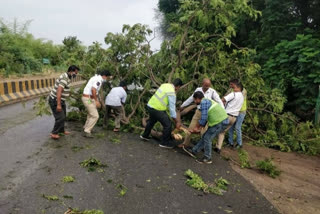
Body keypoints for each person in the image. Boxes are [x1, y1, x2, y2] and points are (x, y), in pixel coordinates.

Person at [183, 91, 229, 164]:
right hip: (219, 122)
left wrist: (196, 128)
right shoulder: (207, 100)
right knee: (205, 136)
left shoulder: (204, 103)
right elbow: (205, 118)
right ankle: (194, 150)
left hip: (219, 122)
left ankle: (208, 158)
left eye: (195, 100)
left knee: (207, 138)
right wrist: (199, 128)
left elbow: (203, 118)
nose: (195, 102)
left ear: (197, 98)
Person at [179, 78, 223, 148]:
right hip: (199, 111)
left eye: (208, 86)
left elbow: (219, 101)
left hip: (207, 114)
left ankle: (202, 146)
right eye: (206, 86)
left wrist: (223, 111)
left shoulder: (212, 92)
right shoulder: (198, 90)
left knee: (203, 131)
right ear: (202, 84)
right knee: (191, 127)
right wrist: (183, 105)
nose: (207, 88)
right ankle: (185, 143)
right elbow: (191, 98)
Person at [140, 78, 183, 148]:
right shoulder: (172, 92)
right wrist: (177, 121)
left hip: (150, 105)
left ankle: (145, 135)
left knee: (152, 121)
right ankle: (164, 143)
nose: (178, 89)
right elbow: (172, 109)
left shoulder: (165, 85)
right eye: (179, 87)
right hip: (157, 109)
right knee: (168, 124)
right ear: (178, 86)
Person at [48, 65, 80, 139]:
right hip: (55, 100)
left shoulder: (68, 77)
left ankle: (61, 130)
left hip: (61, 100)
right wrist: (58, 104)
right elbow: (59, 91)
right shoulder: (64, 78)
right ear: (71, 71)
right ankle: (54, 133)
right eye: (75, 73)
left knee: (64, 116)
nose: (76, 74)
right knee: (60, 117)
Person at [214, 79, 244, 154]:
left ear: (238, 87)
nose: (233, 88)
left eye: (234, 86)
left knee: (214, 129)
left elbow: (222, 100)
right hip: (234, 118)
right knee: (222, 132)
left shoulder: (233, 94)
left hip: (226, 116)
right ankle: (218, 148)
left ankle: (205, 144)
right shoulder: (242, 97)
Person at [82, 70, 112, 138]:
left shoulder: (95, 78)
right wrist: (96, 101)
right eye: (107, 78)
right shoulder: (98, 80)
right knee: (95, 116)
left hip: (89, 99)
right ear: (104, 76)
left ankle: (86, 127)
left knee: (90, 113)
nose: (107, 79)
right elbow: (93, 90)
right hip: (88, 99)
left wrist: (95, 100)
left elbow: (94, 91)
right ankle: (87, 131)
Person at [228, 80, 247, 149]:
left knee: (237, 127)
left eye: (231, 85)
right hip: (234, 112)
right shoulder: (231, 90)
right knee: (231, 127)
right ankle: (230, 142)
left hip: (241, 112)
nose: (230, 86)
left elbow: (238, 98)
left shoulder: (243, 91)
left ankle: (240, 144)